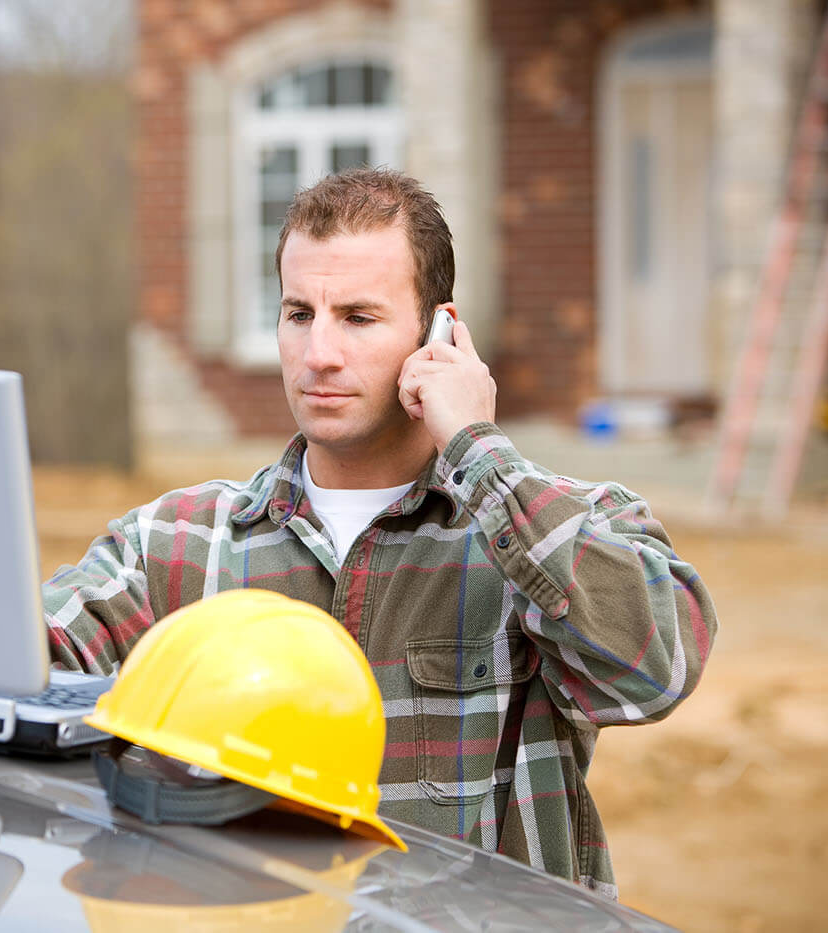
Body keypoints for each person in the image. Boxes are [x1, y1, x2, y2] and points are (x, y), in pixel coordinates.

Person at [43, 168, 717, 899]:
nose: (319, 353)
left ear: (440, 334)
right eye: (299, 313)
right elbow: (11, 663)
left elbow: (659, 666)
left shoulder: (550, 529)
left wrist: (479, 451)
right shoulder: (175, 545)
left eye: (358, 318)